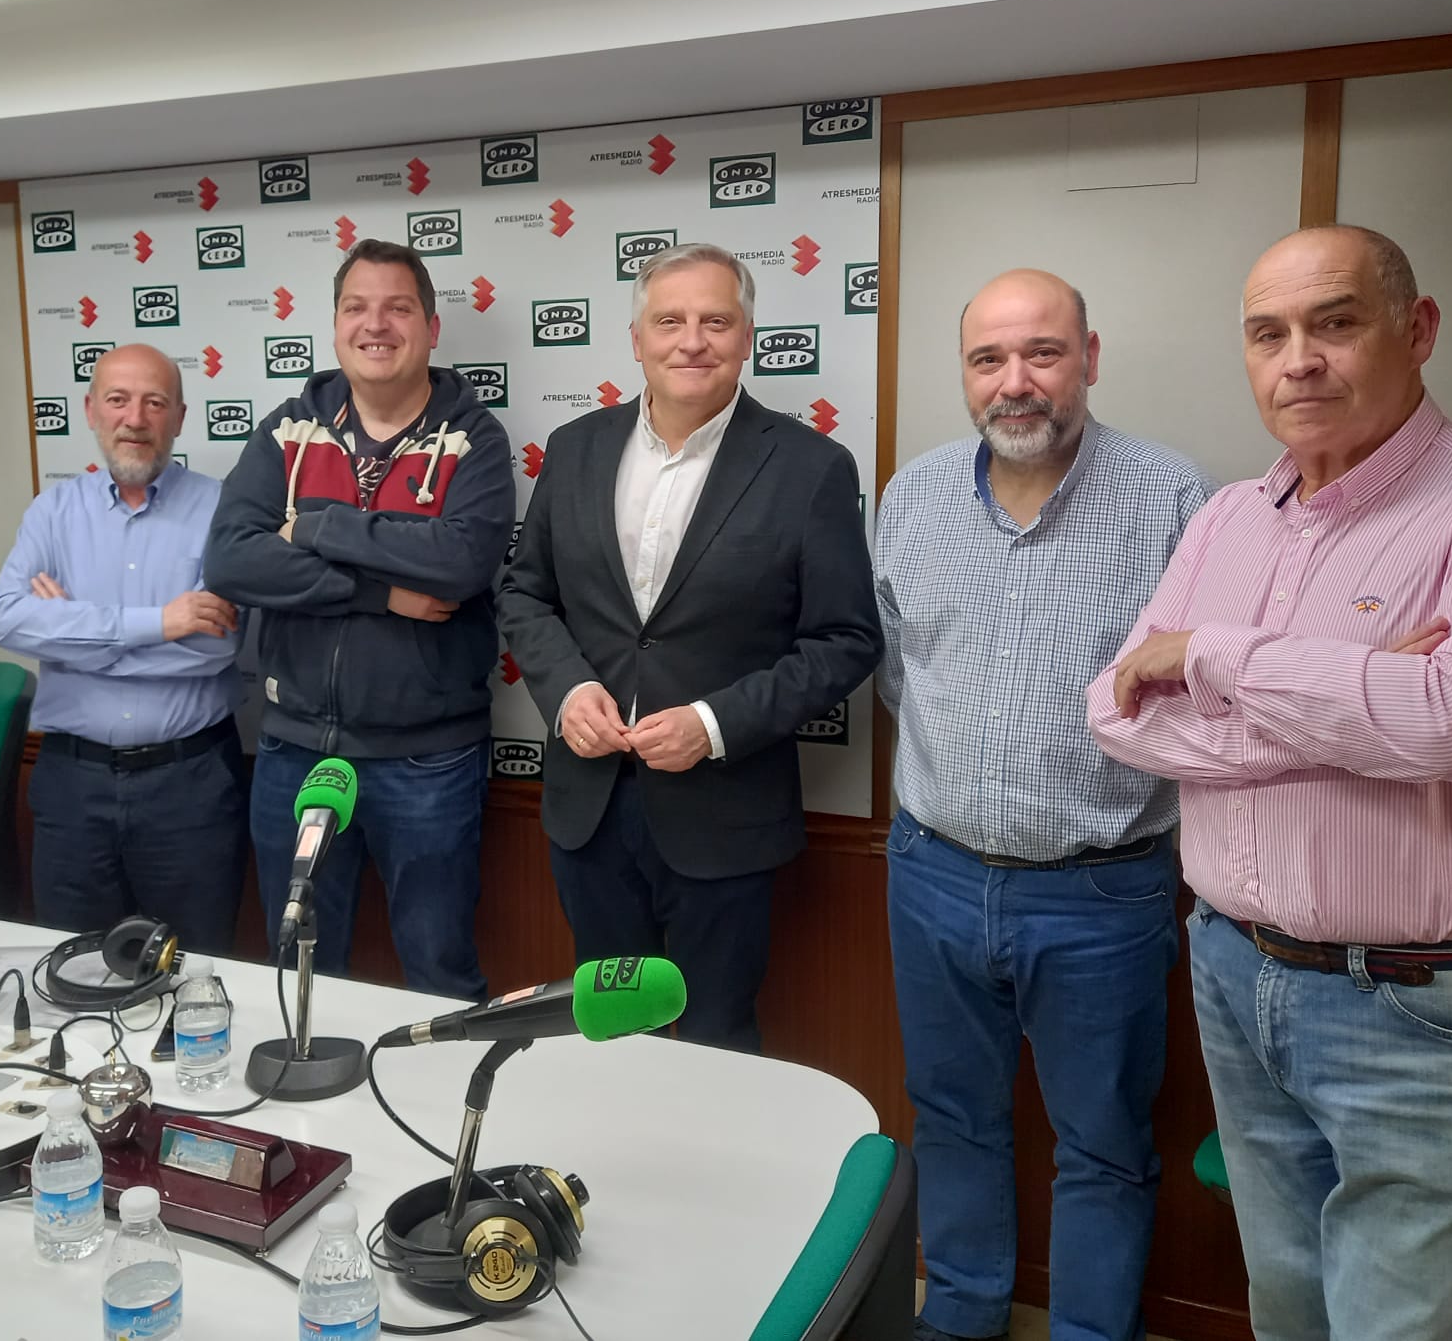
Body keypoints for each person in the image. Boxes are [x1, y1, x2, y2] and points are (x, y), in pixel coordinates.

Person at [1089, 225, 1452, 1341]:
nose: (1297, 360)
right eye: (1267, 334)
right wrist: (1346, 703)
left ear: (1417, 329)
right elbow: (1113, 710)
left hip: (1429, 1008)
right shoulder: (1226, 519)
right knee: (1289, 1313)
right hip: (1234, 971)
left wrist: (1213, 656)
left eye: (1333, 323)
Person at [875, 269, 1213, 1341]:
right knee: (950, 1116)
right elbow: (899, 673)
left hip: (1101, 893)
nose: (1013, 382)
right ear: (964, 372)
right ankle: (961, 1314)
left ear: (1089, 359)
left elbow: (1204, 695)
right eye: (988, 359)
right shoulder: (911, 496)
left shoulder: (1174, 500)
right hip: (931, 872)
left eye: (1042, 353)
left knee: (1103, 1145)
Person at [496, 242, 879, 1052]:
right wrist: (567, 691)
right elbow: (525, 594)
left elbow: (846, 641)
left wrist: (712, 724)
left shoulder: (810, 467)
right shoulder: (574, 448)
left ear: (747, 339)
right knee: (608, 1037)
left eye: (716, 321)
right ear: (637, 339)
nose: (692, 341)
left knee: (715, 1041)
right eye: (669, 321)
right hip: (589, 811)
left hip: (725, 816)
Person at [204, 239, 513, 999]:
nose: (376, 325)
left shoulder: (474, 437)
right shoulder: (288, 430)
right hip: (292, 751)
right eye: (357, 308)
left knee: (440, 971)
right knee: (299, 972)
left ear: (431, 328)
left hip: (428, 762)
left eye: (398, 308)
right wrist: (381, 593)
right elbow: (232, 562)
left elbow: (460, 563)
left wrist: (313, 524)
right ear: (336, 324)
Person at [0, 344, 246, 955]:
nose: (135, 418)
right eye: (118, 400)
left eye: (155, 402)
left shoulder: (223, 511)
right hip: (72, 787)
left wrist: (68, 632)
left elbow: (218, 645)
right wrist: (160, 622)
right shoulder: (52, 512)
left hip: (190, 787)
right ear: (90, 411)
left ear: (179, 417)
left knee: (196, 969)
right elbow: (7, 619)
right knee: (74, 969)